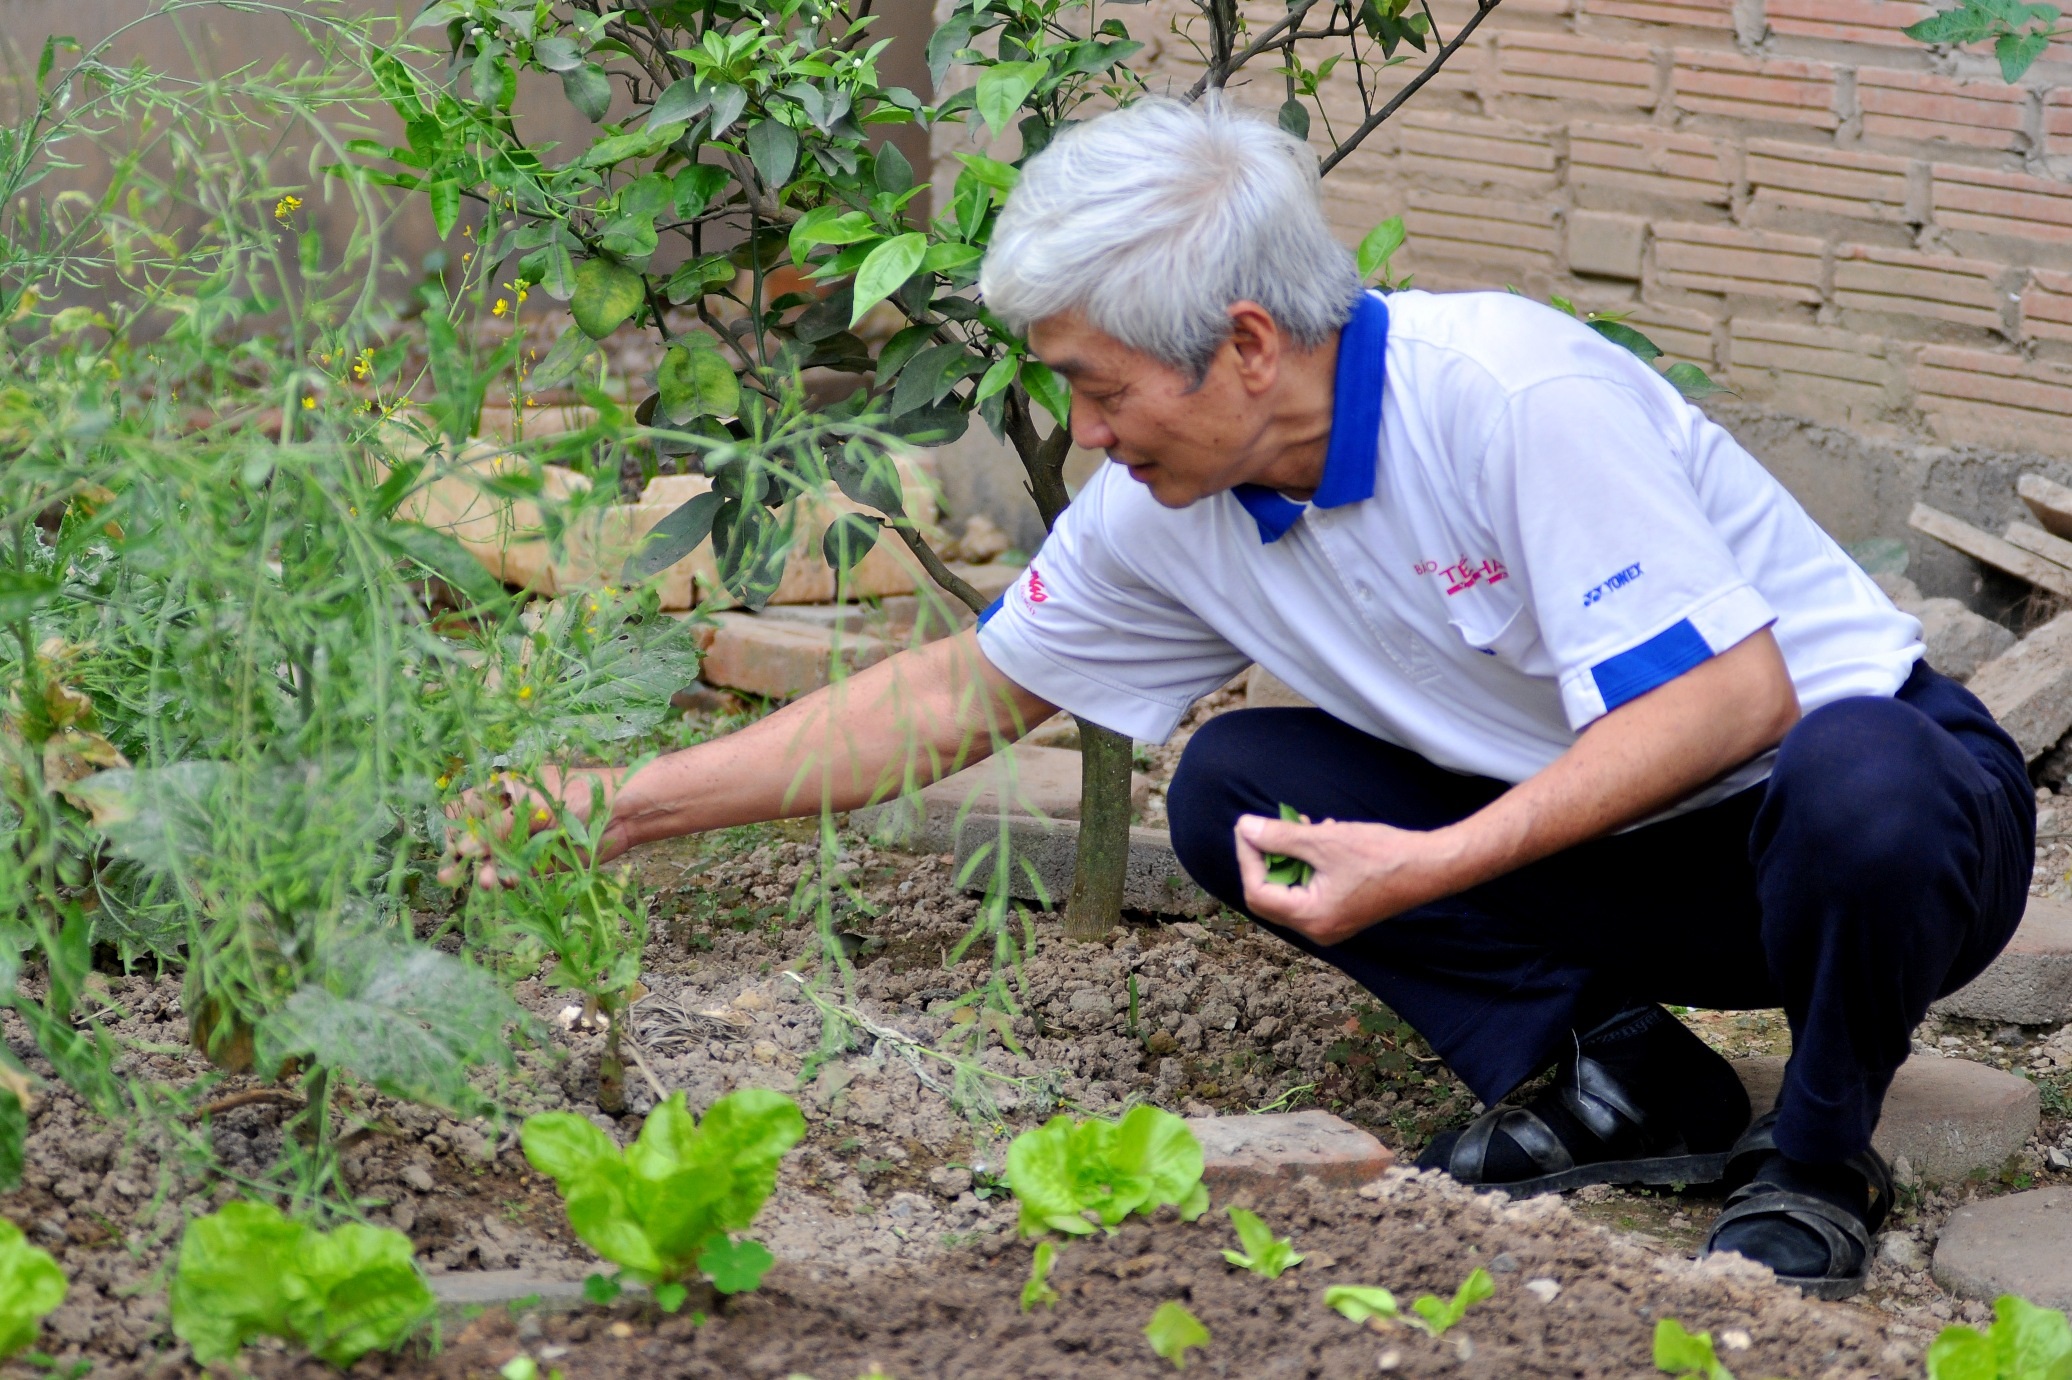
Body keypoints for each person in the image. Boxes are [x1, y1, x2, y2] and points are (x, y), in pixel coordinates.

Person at [446, 98, 2033, 1299]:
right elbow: (959, 695)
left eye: (1098, 385)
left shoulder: (1510, 395)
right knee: (1235, 785)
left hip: (1867, 842)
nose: (1085, 428)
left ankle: (1819, 1158)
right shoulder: (1164, 507)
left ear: (1247, 345)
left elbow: (1731, 702)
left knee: (1862, 775)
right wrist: (623, 807)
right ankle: (1623, 1085)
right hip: (1619, 854)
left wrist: (1432, 862)